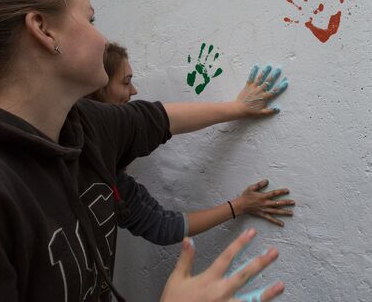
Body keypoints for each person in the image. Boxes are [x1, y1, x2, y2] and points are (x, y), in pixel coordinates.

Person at [0, 0, 288, 302]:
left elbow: (158, 118)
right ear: (43, 29)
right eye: (90, 18)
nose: (101, 36)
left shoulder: (79, 124)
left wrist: (236, 108)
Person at [89, 42, 295, 246]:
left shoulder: (111, 177)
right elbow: (157, 121)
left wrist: (240, 206)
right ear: (97, 89)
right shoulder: (83, 154)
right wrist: (237, 108)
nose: (134, 91)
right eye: (126, 82)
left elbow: (162, 227)